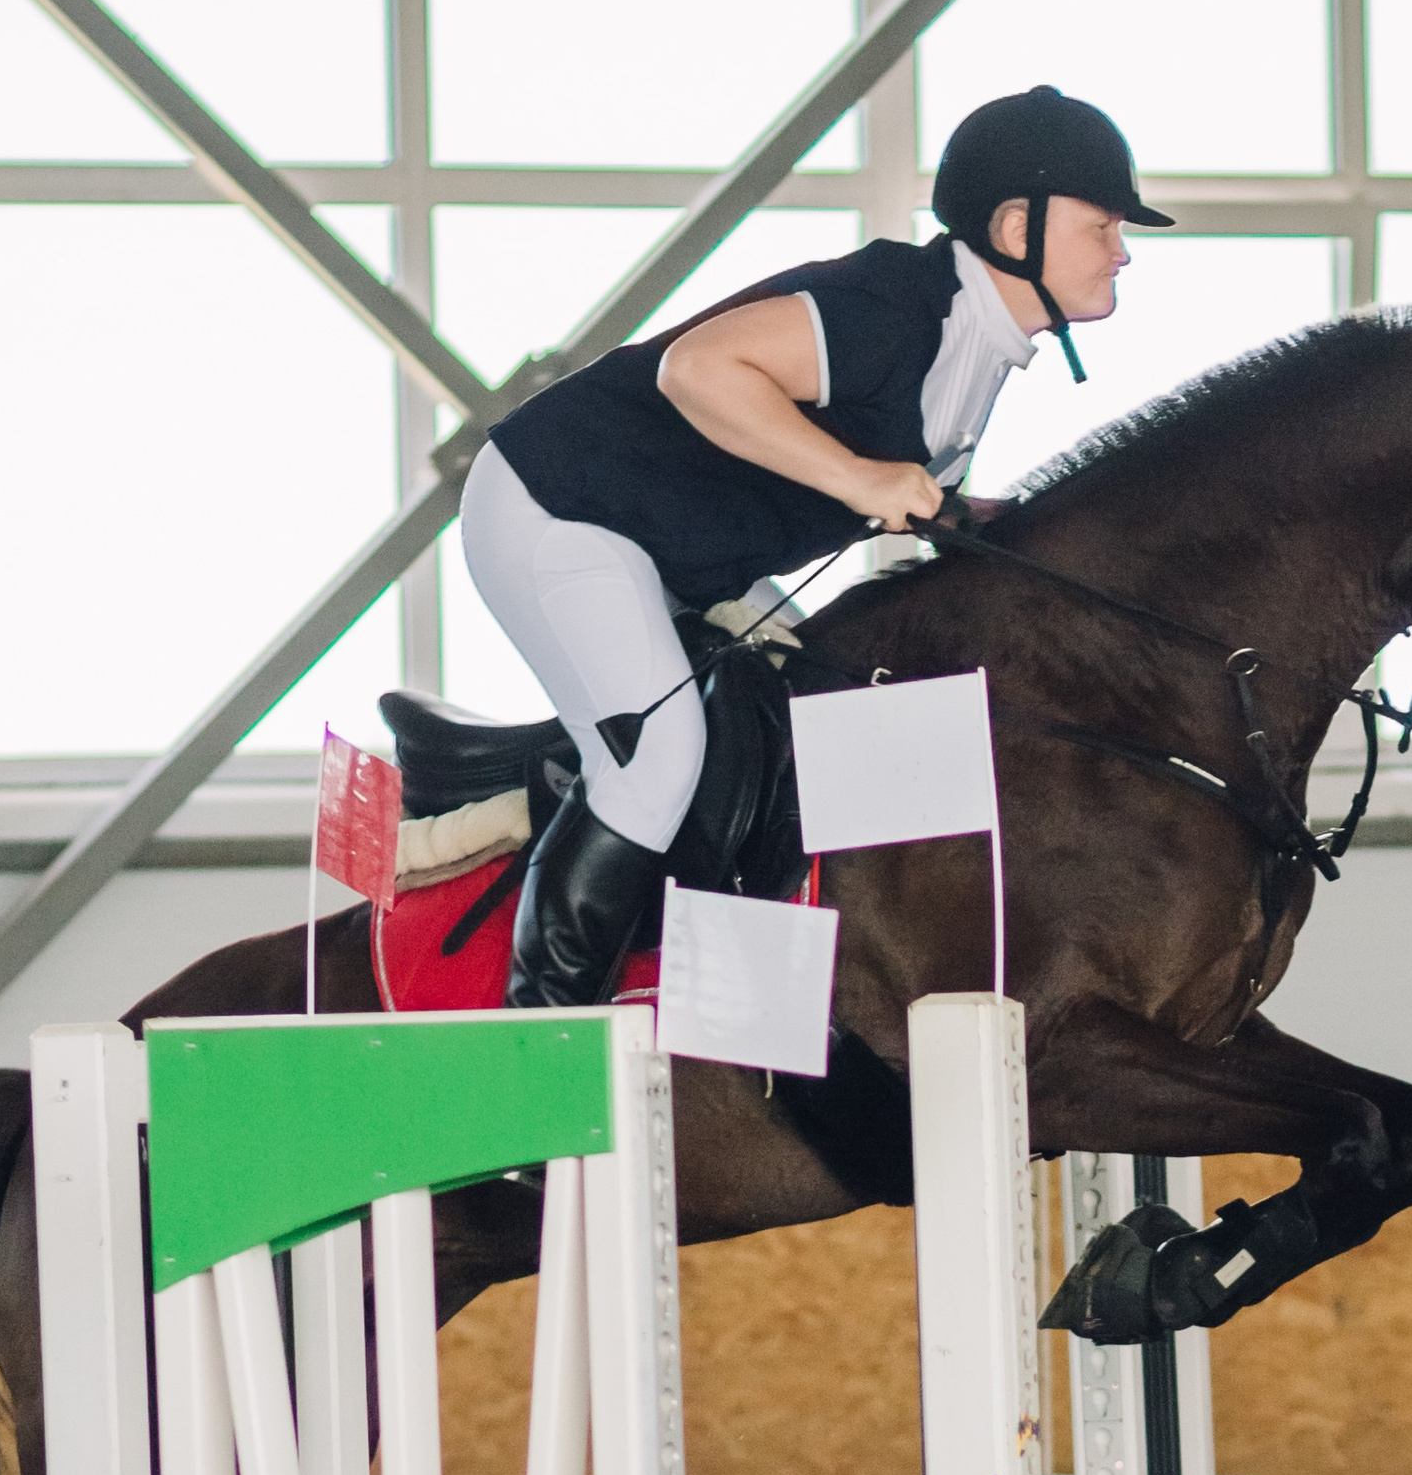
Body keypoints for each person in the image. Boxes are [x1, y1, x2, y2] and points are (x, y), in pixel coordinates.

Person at [461, 81, 1170, 1007]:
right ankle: (546, 1034)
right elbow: (699, 368)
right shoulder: (891, 306)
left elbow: (906, 488)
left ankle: (763, 1017)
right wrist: (864, 481)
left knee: (818, 712)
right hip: (557, 509)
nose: (1122, 252)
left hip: (668, 559)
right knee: (658, 752)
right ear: (1013, 226)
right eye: (1104, 225)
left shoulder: (979, 349)